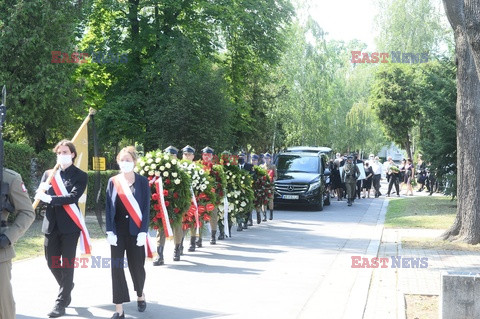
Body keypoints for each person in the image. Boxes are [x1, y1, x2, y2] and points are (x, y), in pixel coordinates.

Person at [35, 139, 89, 318]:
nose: (62, 155)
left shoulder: (80, 175)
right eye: (59, 152)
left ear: (72, 154)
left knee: (67, 264)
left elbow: (73, 197)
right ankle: (67, 285)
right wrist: (40, 193)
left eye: (65, 152)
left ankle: (61, 302)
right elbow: (41, 196)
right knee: (51, 262)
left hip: (69, 227)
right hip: (51, 224)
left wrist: (51, 198)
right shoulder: (49, 174)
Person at [105, 146, 150, 319]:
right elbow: (109, 208)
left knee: (137, 267)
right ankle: (119, 308)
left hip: (135, 232)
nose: (125, 163)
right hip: (117, 233)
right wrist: (110, 231)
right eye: (122, 160)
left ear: (135, 162)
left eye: (128, 160)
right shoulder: (113, 181)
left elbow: (146, 209)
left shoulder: (142, 182)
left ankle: (140, 293)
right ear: (118, 162)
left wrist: (143, 232)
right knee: (116, 268)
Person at [0, 169, 35, 319]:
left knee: (3, 307)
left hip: (0, 254)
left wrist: (8, 237)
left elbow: (28, 212)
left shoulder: (9, 177)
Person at [152, 145, 182, 266]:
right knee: (160, 227)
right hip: (162, 201)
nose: (170, 157)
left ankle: (177, 249)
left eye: (173, 155)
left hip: (176, 202)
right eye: (169, 155)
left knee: (177, 227)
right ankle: (160, 255)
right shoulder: (159, 168)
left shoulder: (180, 169)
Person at [260, 153, 277, 221]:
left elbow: (275, 176)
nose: (266, 159)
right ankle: (264, 216)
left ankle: (271, 214)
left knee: (270, 200)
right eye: (265, 158)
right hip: (263, 185)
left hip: (270, 185)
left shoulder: (273, 166)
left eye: (268, 158)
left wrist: (273, 179)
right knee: (263, 201)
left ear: (270, 159)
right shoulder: (261, 166)